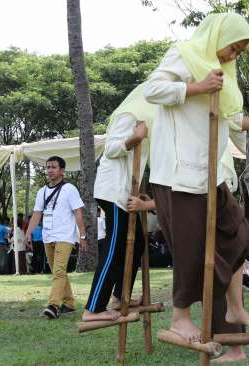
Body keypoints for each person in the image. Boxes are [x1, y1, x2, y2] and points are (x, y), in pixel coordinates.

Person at [144, 13, 249, 362]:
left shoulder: (223, 74)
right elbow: (153, 90)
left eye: (240, 50)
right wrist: (197, 87)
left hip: (209, 176)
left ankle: (235, 309)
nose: (234, 54)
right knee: (192, 250)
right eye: (232, 46)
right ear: (217, 36)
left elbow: (231, 119)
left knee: (238, 236)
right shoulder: (184, 54)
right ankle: (180, 316)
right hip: (178, 176)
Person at [82, 83, 152, 323]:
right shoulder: (128, 115)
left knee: (138, 243)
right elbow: (111, 149)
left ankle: (120, 296)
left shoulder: (147, 121)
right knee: (113, 248)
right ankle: (93, 308)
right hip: (112, 191)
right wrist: (135, 137)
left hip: (124, 192)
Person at [25, 156, 87, 320]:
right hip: (47, 237)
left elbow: (78, 213)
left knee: (58, 272)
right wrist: (28, 232)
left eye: (53, 167)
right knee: (59, 272)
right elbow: (37, 215)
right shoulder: (41, 192)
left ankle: (53, 305)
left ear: (62, 171)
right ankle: (69, 303)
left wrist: (82, 236)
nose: (50, 170)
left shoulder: (70, 189)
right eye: (48, 167)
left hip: (65, 237)